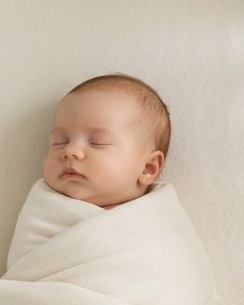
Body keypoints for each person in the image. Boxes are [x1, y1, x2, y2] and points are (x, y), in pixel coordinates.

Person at [43, 73, 170, 210]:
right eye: (60, 142)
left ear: (147, 168)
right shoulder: (41, 208)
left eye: (98, 142)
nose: (70, 150)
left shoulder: (154, 223)